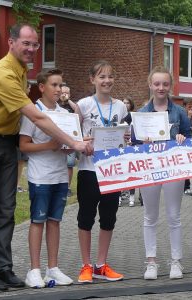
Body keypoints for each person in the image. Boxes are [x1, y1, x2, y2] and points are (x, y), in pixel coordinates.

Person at [0, 23, 93, 291]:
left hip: (7, 143)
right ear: (11, 42)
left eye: (35, 44)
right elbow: (35, 116)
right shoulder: (3, 74)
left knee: (6, 210)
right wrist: (73, 142)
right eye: (27, 43)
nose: (32, 49)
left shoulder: (22, 71)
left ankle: (3, 269)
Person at [20, 69, 74, 288]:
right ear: (42, 87)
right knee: (38, 221)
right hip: (40, 175)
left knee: (55, 222)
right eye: (54, 85)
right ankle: (34, 270)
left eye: (61, 85)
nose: (59, 89)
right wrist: (49, 146)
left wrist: (68, 147)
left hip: (61, 175)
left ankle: (53, 269)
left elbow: (68, 142)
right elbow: (23, 145)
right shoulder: (33, 112)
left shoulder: (64, 113)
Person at [137, 66, 191, 280]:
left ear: (171, 86)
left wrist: (182, 140)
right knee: (149, 216)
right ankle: (151, 262)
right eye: (157, 83)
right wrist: (142, 141)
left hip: (173, 168)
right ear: (150, 85)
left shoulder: (178, 112)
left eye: (165, 84)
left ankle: (176, 261)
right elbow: (134, 144)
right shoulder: (141, 113)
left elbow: (188, 138)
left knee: (174, 216)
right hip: (150, 169)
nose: (161, 87)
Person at [75, 60, 127, 283]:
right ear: (92, 80)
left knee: (108, 218)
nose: (107, 81)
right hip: (88, 169)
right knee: (85, 218)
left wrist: (125, 137)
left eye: (110, 76)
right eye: (102, 76)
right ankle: (86, 265)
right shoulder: (83, 105)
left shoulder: (121, 107)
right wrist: (82, 142)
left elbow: (124, 135)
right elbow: (73, 134)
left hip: (112, 170)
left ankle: (101, 265)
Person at [57, 85, 77, 197]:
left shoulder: (72, 105)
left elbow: (78, 111)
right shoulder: (56, 105)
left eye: (66, 93)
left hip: (70, 138)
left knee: (69, 164)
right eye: (62, 92)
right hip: (58, 137)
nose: (64, 95)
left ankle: (68, 187)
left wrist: (68, 100)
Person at [119, 96, 136, 207]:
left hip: (132, 147)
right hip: (121, 148)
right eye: (123, 102)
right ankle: (119, 197)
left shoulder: (134, 117)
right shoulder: (119, 118)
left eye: (127, 103)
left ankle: (132, 197)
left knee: (132, 173)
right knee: (121, 172)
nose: (125, 105)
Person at [17, 83, 32, 193]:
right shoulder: (18, 100)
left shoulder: (28, 101)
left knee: (21, 161)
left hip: (25, 133)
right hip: (17, 133)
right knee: (16, 160)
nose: (30, 90)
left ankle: (17, 184)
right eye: (29, 88)